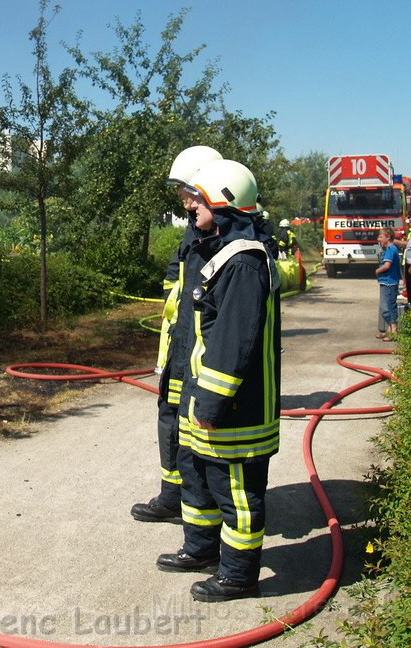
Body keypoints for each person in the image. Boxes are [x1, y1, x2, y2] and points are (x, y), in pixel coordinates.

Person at [154, 159, 281, 603]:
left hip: (235, 410)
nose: (190, 205)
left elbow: (233, 344)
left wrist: (208, 404)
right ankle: (202, 550)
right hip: (205, 400)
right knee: (198, 480)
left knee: (237, 495)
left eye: (197, 197)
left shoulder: (244, 263)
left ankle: (238, 575)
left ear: (222, 200)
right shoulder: (220, 251)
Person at [131, 145, 222, 524]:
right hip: (178, 345)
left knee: (193, 425)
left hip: (201, 349)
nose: (181, 197)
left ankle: (197, 501)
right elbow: (177, 270)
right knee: (169, 416)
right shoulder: (193, 227)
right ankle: (172, 495)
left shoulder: (223, 231)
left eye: (186, 188)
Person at [375, 227, 401, 340]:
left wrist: (377, 271)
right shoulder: (389, 249)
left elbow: (387, 266)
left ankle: (394, 330)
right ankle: (389, 330)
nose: (378, 239)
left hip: (389, 282)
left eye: (381, 237)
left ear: (388, 237)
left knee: (388, 307)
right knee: (385, 307)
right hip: (386, 282)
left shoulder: (391, 250)